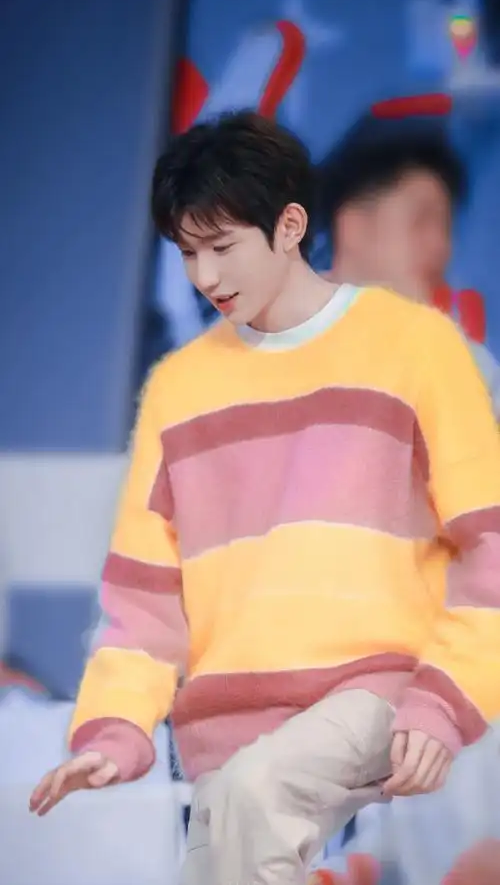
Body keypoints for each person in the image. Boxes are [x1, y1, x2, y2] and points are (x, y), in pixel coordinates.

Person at [29, 111, 500, 885]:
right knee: (226, 842)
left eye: (222, 248)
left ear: (289, 227)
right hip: (224, 732)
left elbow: (488, 549)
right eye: (189, 253)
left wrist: (443, 703)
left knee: (257, 799)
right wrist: (113, 733)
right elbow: (144, 598)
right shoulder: (180, 389)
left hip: (378, 695)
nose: (205, 276)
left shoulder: (423, 352)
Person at [317, 116, 500, 414]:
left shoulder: (472, 373)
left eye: (445, 228)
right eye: (420, 221)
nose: (440, 247)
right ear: (354, 227)